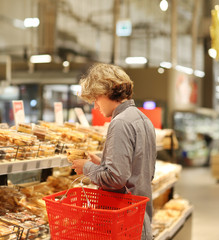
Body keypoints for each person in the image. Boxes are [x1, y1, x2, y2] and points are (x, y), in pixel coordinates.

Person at [71, 63, 157, 240]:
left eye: (95, 98)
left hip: (122, 221)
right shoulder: (143, 120)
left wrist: (86, 167)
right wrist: (103, 160)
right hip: (140, 219)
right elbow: (139, 166)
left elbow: (116, 178)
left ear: (106, 91)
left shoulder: (120, 123)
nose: (95, 106)